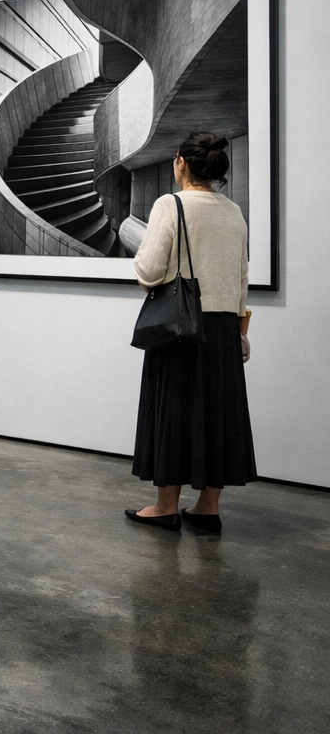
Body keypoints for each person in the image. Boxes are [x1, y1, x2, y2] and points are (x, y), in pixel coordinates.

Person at [126, 133, 254, 534]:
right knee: (217, 414)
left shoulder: (171, 204)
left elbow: (148, 271)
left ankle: (166, 506)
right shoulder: (233, 211)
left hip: (180, 322)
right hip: (222, 327)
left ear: (180, 163)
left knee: (174, 408)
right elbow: (242, 278)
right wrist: (240, 331)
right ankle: (207, 508)